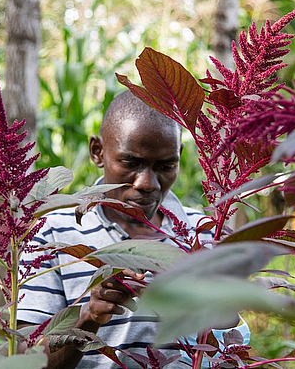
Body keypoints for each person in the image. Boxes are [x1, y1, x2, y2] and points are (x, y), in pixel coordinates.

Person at [17, 91, 249, 368]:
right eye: (131, 162)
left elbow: (234, 351)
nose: (147, 183)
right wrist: (89, 317)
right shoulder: (52, 235)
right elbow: (25, 358)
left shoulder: (205, 234)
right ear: (97, 152)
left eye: (165, 166)